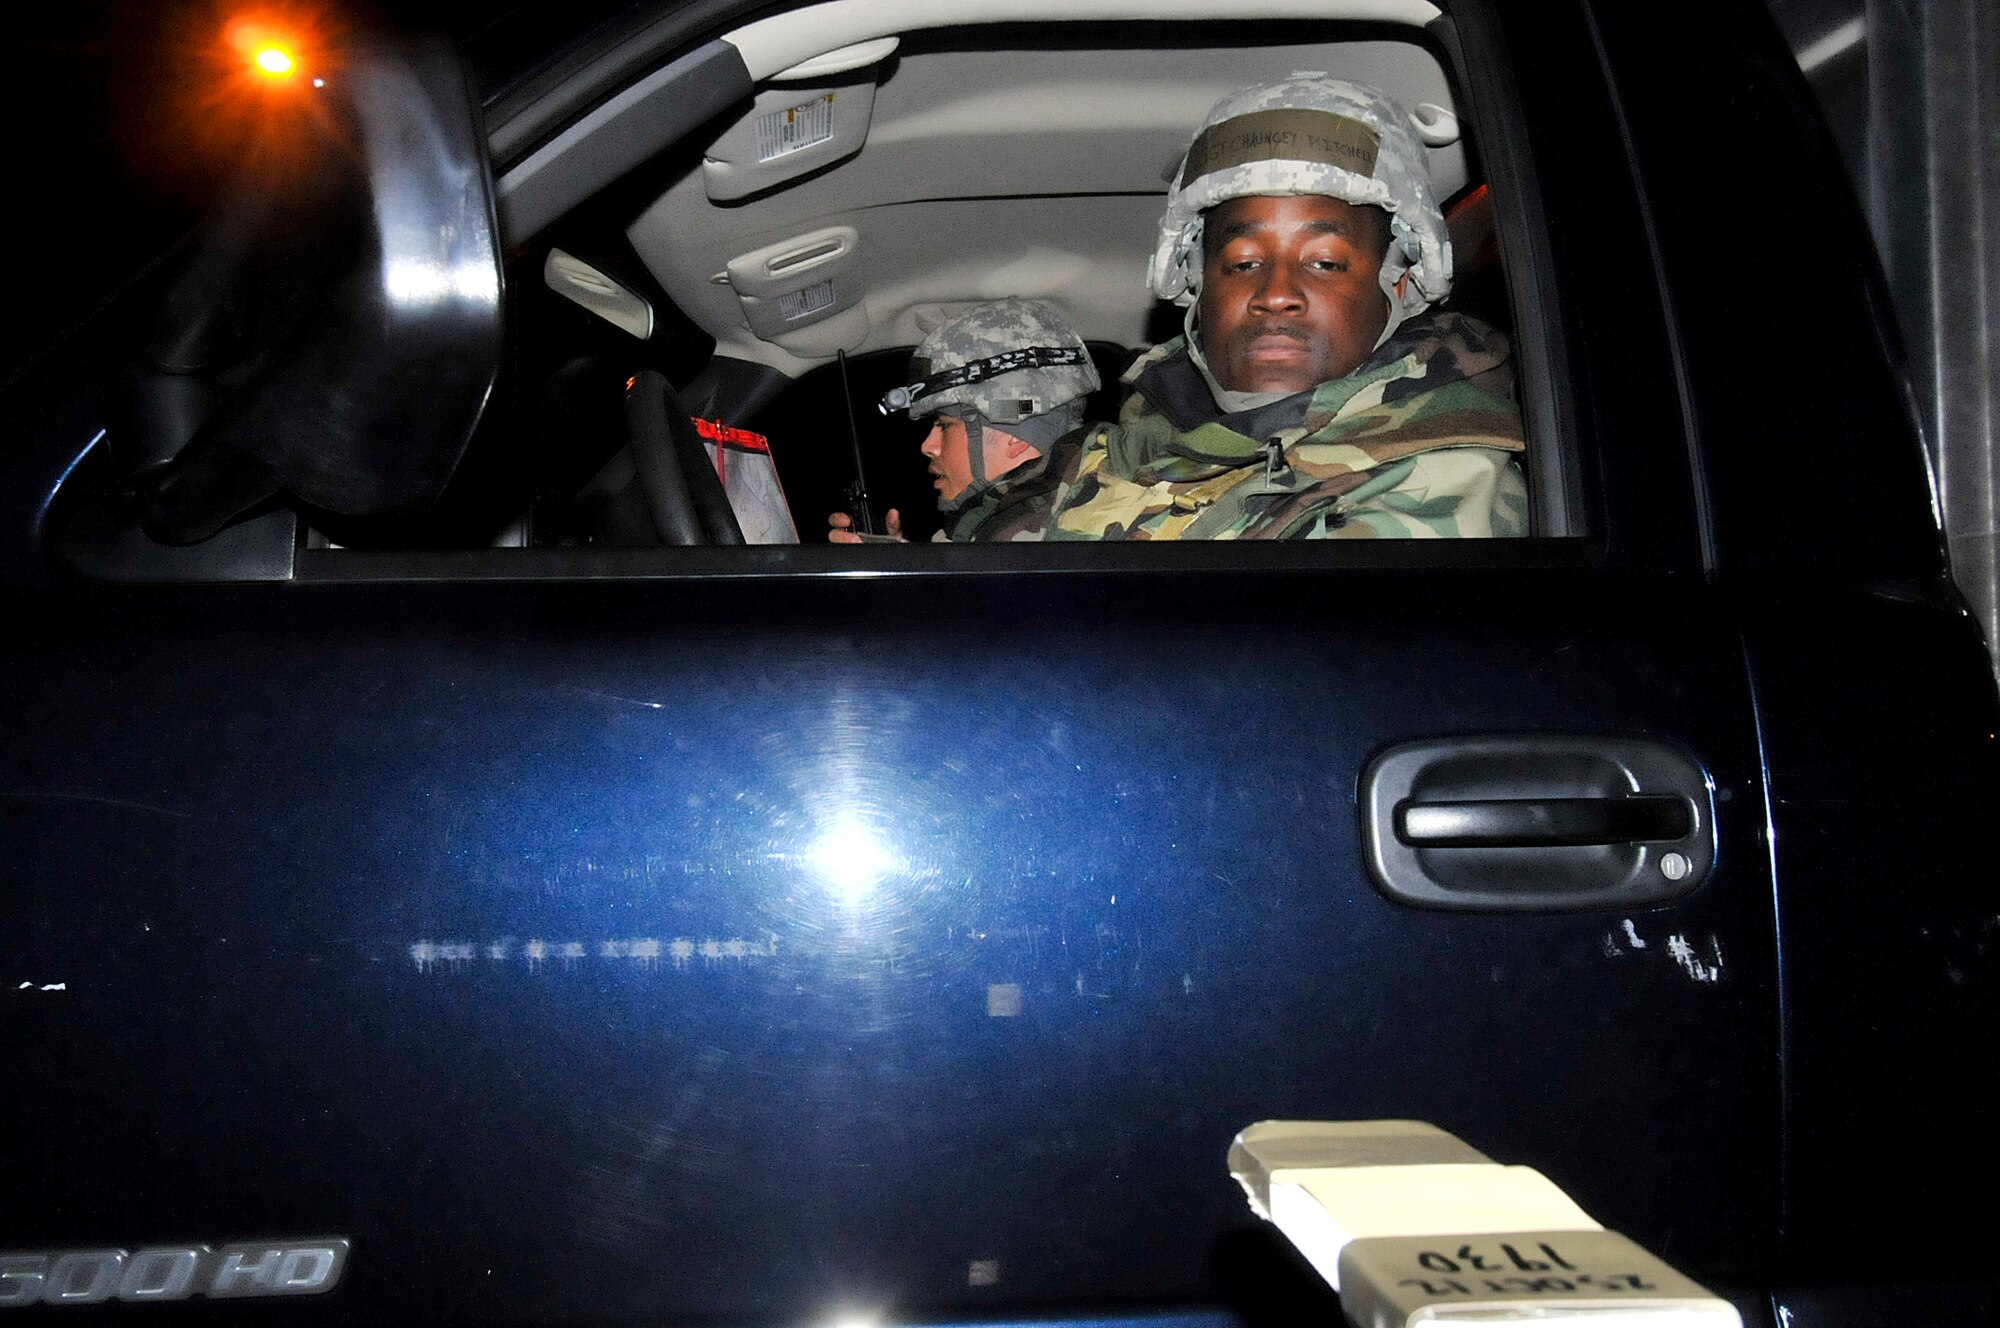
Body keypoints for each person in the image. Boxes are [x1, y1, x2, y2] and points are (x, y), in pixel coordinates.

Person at [1041, 74, 1528, 540]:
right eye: (1243, 262)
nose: (1276, 294)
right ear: (1198, 284)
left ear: (1397, 283)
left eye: (1326, 262)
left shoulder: (1435, 484)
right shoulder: (1139, 439)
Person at [827, 298, 1100, 543]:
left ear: (1015, 436)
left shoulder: (1068, 533)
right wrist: (897, 565)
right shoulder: (1015, 527)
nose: (928, 446)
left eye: (945, 425)